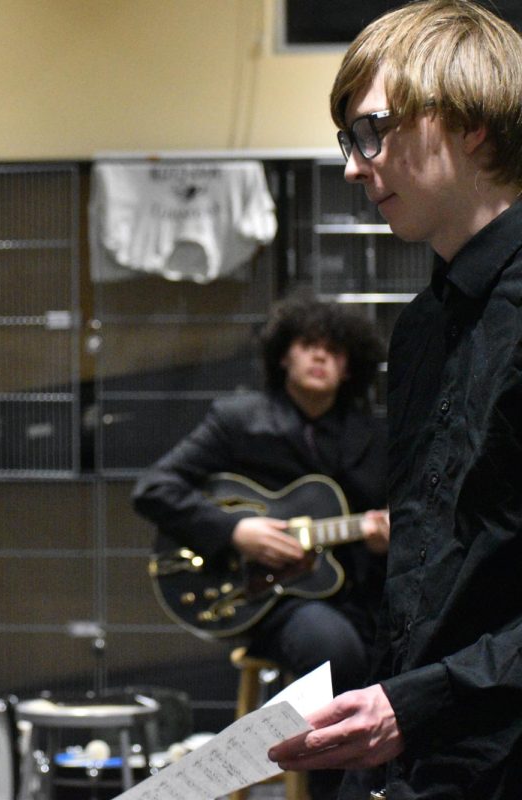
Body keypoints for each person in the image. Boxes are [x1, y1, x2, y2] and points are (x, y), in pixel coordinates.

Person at [267, 1, 522, 797]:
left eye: (371, 131)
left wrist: (422, 702)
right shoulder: (418, 329)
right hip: (412, 754)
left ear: (472, 123)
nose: (353, 165)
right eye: (349, 139)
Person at [133, 295, 390, 800]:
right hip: (274, 602)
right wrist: (235, 532)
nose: (321, 358)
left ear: (350, 366)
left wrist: (383, 543)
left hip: (361, 596)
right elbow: (155, 489)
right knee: (332, 649)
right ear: (283, 356)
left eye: (335, 351)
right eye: (309, 346)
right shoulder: (239, 419)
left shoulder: (375, 435)